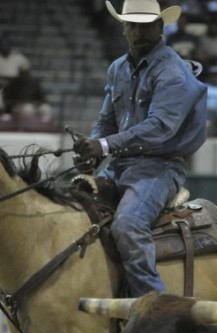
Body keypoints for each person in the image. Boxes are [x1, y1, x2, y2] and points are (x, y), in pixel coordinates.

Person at [72, 0, 208, 297]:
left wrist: (104, 145)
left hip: (160, 168)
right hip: (120, 165)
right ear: (124, 29)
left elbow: (161, 126)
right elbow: (107, 121)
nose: (139, 32)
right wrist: (93, 154)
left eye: (146, 25)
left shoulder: (171, 71)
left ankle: (155, 307)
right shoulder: (117, 69)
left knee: (128, 226)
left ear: (160, 27)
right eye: (133, 25)